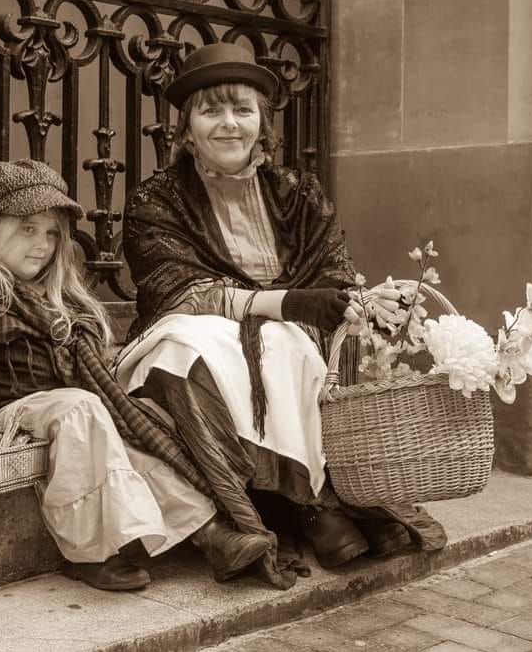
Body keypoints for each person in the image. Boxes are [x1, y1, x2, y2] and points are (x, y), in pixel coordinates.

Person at [115, 43, 446, 588]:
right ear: (186, 128)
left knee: (286, 344)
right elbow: (180, 292)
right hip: (185, 339)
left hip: (292, 340)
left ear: (261, 123)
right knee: (198, 343)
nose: (228, 124)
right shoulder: (156, 199)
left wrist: (361, 303)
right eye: (210, 110)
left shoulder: (299, 193)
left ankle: (319, 500)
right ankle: (304, 506)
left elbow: (333, 274)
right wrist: (287, 303)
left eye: (242, 110)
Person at [0, 159, 272, 592]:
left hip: (78, 411)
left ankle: (212, 536)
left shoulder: (62, 299)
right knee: (79, 408)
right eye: (28, 229)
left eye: (51, 233)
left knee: (134, 442)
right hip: (11, 411)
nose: (43, 244)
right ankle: (92, 552)